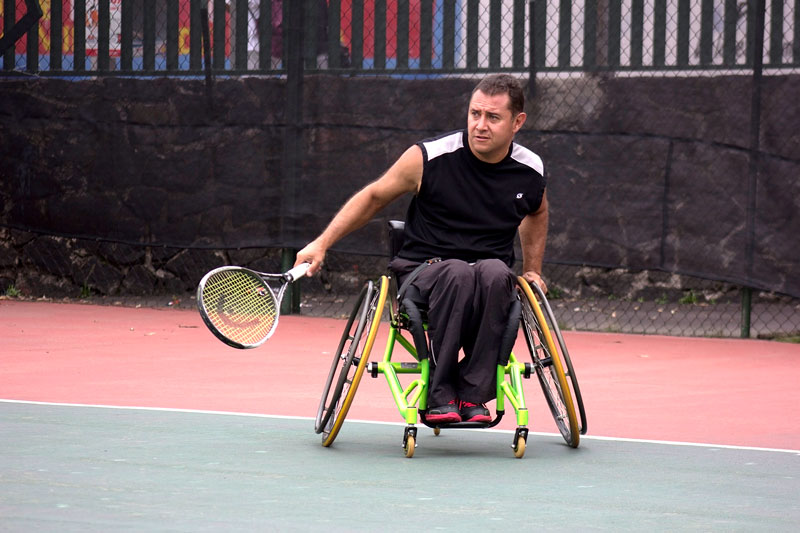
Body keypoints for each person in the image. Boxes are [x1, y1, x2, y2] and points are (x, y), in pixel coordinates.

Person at [295, 74, 548, 424]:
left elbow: (537, 212)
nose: (480, 125)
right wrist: (321, 244)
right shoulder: (429, 158)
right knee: (458, 271)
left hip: (489, 274)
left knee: (495, 272)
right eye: (475, 114)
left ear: (517, 122)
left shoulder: (529, 170)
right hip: (425, 269)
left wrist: (532, 268)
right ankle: (439, 393)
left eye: (493, 117)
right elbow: (373, 197)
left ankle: (473, 396)